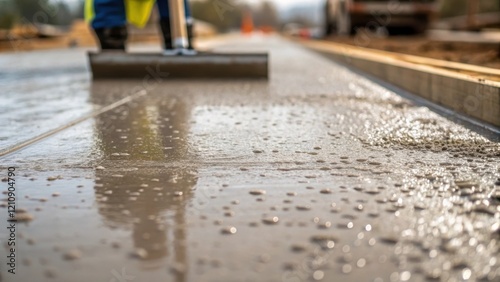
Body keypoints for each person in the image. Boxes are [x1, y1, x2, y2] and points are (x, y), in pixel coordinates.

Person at [85, 0, 194, 52]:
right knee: (108, 10)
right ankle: (113, 47)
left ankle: (179, 43)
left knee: (175, 9)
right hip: (109, 14)